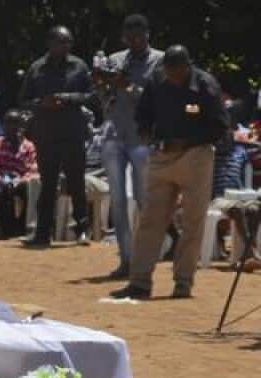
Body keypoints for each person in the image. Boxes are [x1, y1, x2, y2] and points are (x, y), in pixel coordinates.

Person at [111, 46, 228, 300]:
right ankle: (139, 282)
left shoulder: (205, 85)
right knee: (150, 219)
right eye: (168, 70)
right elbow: (143, 113)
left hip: (195, 155)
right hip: (162, 156)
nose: (172, 75)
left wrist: (190, 141)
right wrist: (146, 134)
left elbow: (220, 126)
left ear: (188, 67)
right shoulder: (157, 81)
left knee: (192, 221)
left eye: (176, 70)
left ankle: (183, 282)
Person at [100, 14, 164, 278]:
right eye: (130, 37)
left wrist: (127, 87)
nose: (135, 41)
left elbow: (156, 100)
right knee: (117, 201)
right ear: (124, 37)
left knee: (143, 200)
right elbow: (103, 95)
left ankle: (144, 258)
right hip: (114, 134)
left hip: (142, 139)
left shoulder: (159, 61)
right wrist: (103, 85)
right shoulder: (115, 60)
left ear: (148, 34)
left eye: (140, 36)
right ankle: (125, 260)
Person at [19, 26, 93, 247]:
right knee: (48, 184)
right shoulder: (37, 68)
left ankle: (81, 229)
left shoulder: (78, 66)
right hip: (46, 134)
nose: (67, 46)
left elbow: (91, 96)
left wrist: (68, 98)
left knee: (76, 182)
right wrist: (42, 103)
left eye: (69, 42)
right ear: (50, 43)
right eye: (62, 42)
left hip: (72, 132)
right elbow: (23, 99)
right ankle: (43, 232)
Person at [0, 110, 39, 239]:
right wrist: (3, 182)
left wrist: (20, 181)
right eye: (8, 123)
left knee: (33, 189)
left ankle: (22, 226)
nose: (12, 127)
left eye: (16, 123)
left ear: (21, 126)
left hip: (21, 181)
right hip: (1, 180)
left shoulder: (29, 147)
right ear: (4, 125)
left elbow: (33, 170)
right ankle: (5, 228)